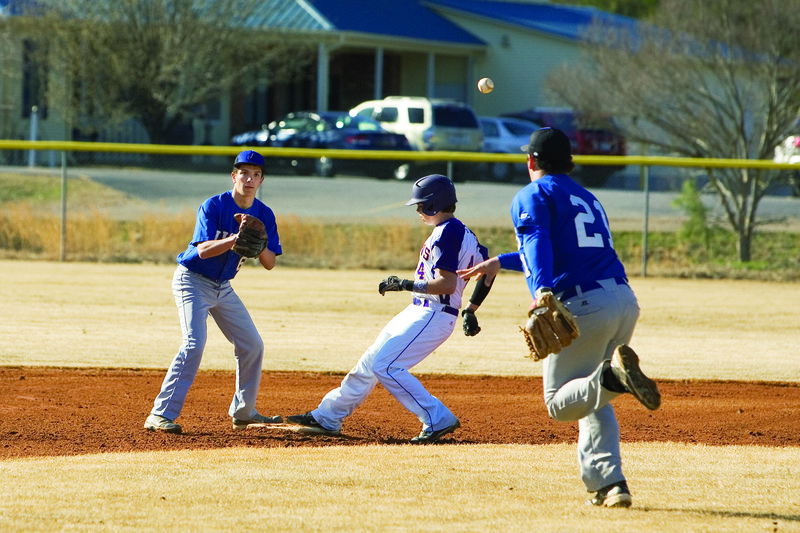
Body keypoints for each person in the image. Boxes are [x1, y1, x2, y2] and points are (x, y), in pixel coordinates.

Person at [458, 128, 661, 507]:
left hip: (584, 304)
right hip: (622, 299)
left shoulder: (532, 194)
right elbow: (565, 248)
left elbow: (537, 241)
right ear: (566, 161)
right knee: (592, 398)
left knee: (559, 402)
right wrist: (502, 261)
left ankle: (614, 376)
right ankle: (610, 484)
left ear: (531, 161)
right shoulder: (586, 196)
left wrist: (541, 291)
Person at [287, 174, 494, 443]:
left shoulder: (447, 233)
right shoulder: (463, 232)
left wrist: (405, 284)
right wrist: (471, 309)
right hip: (421, 311)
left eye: (421, 206)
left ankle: (437, 418)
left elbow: (446, 284)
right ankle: (328, 416)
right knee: (371, 362)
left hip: (434, 314)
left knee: (387, 366)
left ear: (434, 205)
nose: (418, 211)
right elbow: (490, 268)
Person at [144, 150, 283, 434]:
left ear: (261, 181)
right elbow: (203, 251)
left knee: (252, 345)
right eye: (244, 173)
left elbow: (270, 263)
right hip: (192, 281)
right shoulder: (213, 206)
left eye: (256, 175)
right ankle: (159, 415)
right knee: (194, 344)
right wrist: (236, 239)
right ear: (234, 176)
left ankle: (244, 413)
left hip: (224, 287)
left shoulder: (264, 214)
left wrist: (259, 243)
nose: (250, 179)